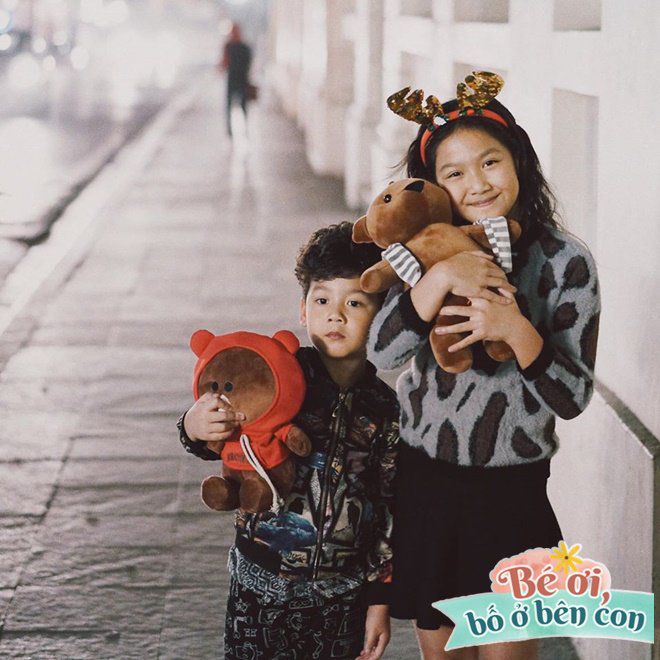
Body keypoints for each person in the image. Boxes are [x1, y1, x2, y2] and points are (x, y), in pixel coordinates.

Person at [367, 75, 600, 660]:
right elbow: (381, 354)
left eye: (490, 162)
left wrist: (516, 330)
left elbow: (572, 398)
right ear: (433, 184)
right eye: (455, 172)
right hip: (426, 482)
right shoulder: (422, 252)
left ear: (518, 161)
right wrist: (440, 278)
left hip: (511, 493)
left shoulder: (565, 262)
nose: (477, 183)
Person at [178, 222, 399, 660]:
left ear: (383, 316)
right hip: (259, 587)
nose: (336, 315)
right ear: (303, 309)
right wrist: (193, 425)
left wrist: (380, 598)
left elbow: (389, 503)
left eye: (355, 302)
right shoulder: (274, 379)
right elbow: (220, 427)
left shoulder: (383, 407)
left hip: (342, 595)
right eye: (322, 300)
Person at [219, 23, 252, 137]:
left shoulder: (237, 46)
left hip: (240, 79)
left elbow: (224, 63)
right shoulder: (234, 46)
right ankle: (232, 130)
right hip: (236, 79)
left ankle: (240, 129)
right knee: (234, 106)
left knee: (241, 106)